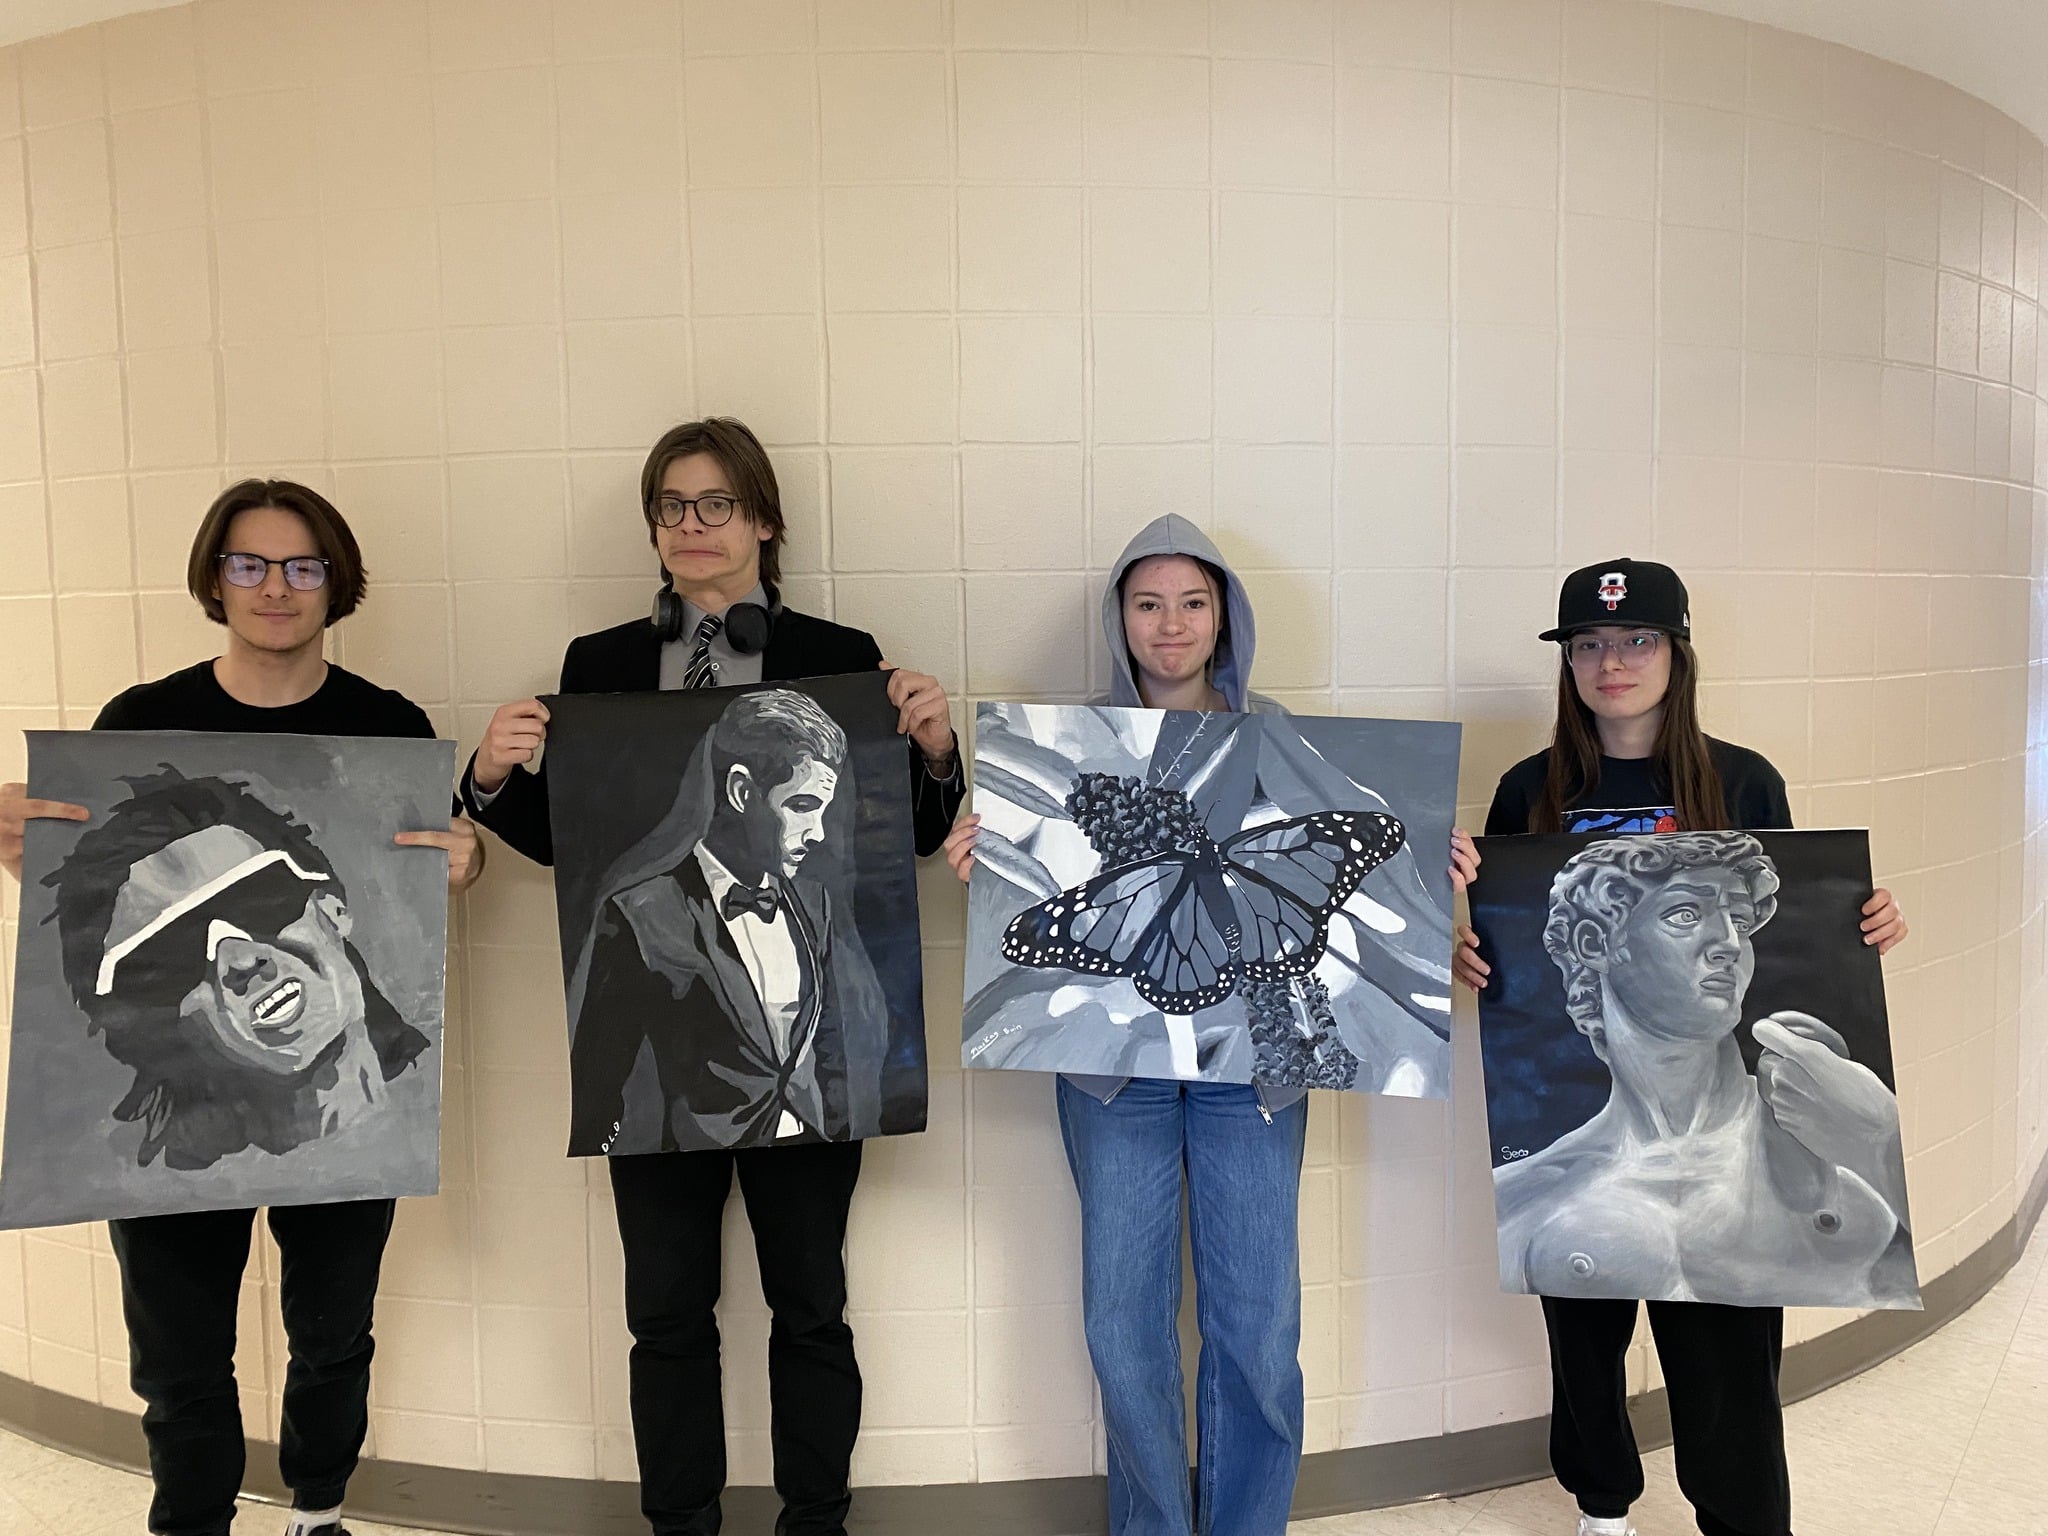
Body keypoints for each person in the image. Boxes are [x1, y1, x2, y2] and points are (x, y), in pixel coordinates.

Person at [461, 416, 962, 1536]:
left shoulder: (843, 652)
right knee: (667, 1315)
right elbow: (578, 853)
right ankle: (678, 1525)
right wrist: (489, 780)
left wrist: (934, 753)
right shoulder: (596, 666)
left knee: (812, 1307)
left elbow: (907, 842)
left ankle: (815, 1521)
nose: (692, 526)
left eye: (717, 504)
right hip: (660, 1054)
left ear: (763, 520)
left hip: (807, 1053)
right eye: (672, 507)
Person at [946, 514, 1464, 1536]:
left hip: (1256, 1075)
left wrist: (1431, 858)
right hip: (1112, 1076)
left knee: (1257, 1327)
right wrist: (993, 868)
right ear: (1119, 619)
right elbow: (1048, 916)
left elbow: (1367, 861)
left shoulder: (1293, 746)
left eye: (1192, 602)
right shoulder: (1069, 750)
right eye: (1148, 603)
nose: (1170, 624)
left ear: (1225, 615)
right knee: (1120, 1324)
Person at [0, 478, 482, 1536]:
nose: (275, 587)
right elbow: (68, 912)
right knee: (177, 1348)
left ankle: (318, 1511)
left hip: (361, 1140)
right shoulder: (137, 723)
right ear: (214, 580)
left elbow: (432, 866)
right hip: (185, 1139)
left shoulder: (387, 729)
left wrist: (468, 858)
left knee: (334, 1329)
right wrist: (20, 852)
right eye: (249, 563)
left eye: (301, 565)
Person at [1451, 558, 1908, 1536]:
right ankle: (1601, 1504)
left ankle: (1743, 1520)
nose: (1611, 661)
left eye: (1636, 640)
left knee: (1729, 1353)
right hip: (1585, 1116)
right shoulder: (1527, 790)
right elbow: (1505, 945)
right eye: (1588, 644)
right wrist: (1468, 950)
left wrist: (1859, 921)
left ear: (1676, 653)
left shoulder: (1741, 780)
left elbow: (1801, 913)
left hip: (1728, 1129)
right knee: (1581, 1328)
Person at [1495, 831, 1913, 1309]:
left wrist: (1880, 1145)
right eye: (1686, 915)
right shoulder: (1526, 1196)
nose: (1730, 943)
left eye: (1739, 919)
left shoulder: (1837, 1131)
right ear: (1595, 944)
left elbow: (1912, 1284)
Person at [563, 687, 898, 1152]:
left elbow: (826, 1046)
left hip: (810, 1156)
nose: (818, 833)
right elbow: (599, 1087)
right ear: (742, 792)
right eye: (802, 806)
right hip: (692, 1164)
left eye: (823, 810)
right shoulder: (641, 913)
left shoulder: (812, 903)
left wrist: (836, 1132)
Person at [46, 766, 432, 1169]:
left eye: (259, 900)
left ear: (332, 910)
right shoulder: (162, 1192)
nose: (243, 961)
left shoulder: (436, 1097)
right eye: (175, 955)